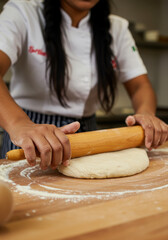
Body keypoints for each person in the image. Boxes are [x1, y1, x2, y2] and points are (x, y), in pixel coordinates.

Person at [0, 0, 167, 170]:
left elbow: (140, 85)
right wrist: (19, 124)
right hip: (31, 137)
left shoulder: (117, 28)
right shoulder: (23, 13)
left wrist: (146, 114)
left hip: (88, 138)